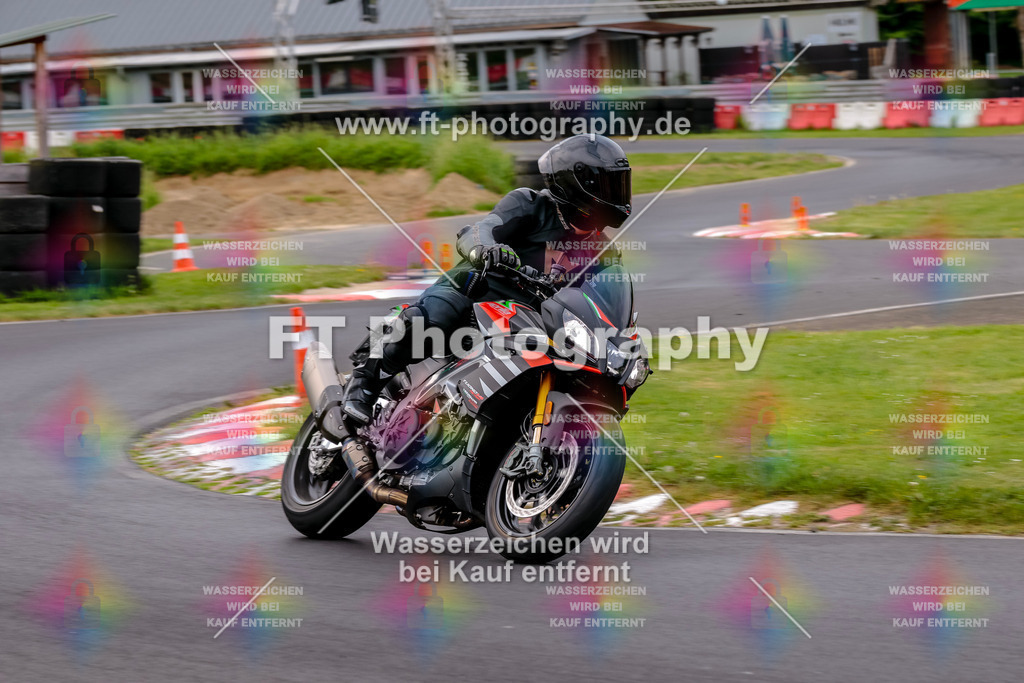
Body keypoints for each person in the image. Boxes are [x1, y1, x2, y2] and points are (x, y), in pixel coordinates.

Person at [342, 133, 633, 424]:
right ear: (575, 183)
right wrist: (486, 249)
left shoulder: (605, 252)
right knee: (436, 315)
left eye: (620, 183)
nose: (618, 193)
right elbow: (481, 230)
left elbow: (607, 305)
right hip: (476, 294)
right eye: (609, 184)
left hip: (530, 320)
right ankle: (364, 383)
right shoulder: (530, 205)